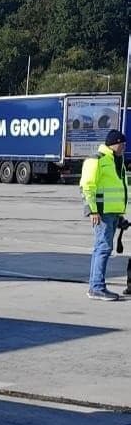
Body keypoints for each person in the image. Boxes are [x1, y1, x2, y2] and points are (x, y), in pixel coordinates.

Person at [80, 127, 127, 301]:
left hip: (112, 213)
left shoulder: (117, 160)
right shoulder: (97, 160)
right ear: (114, 144)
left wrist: (120, 214)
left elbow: (118, 189)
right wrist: (92, 210)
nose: (124, 147)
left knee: (102, 248)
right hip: (101, 213)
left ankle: (95, 286)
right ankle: (97, 287)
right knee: (103, 248)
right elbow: (87, 186)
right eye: (122, 144)